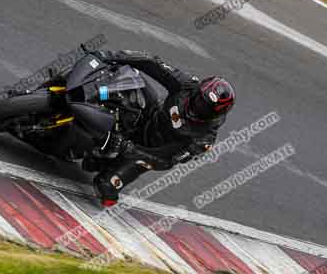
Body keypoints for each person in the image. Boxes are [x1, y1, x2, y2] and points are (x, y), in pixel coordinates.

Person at [74, 50, 236, 206]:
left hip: (145, 153)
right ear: (197, 91)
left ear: (215, 113)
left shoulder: (203, 139)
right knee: (128, 76)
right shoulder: (188, 86)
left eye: (205, 108)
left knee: (105, 187)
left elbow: (165, 161)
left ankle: (105, 161)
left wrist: (129, 149)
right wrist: (110, 56)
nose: (199, 107)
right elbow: (153, 64)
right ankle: (84, 92)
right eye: (199, 100)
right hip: (149, 116)